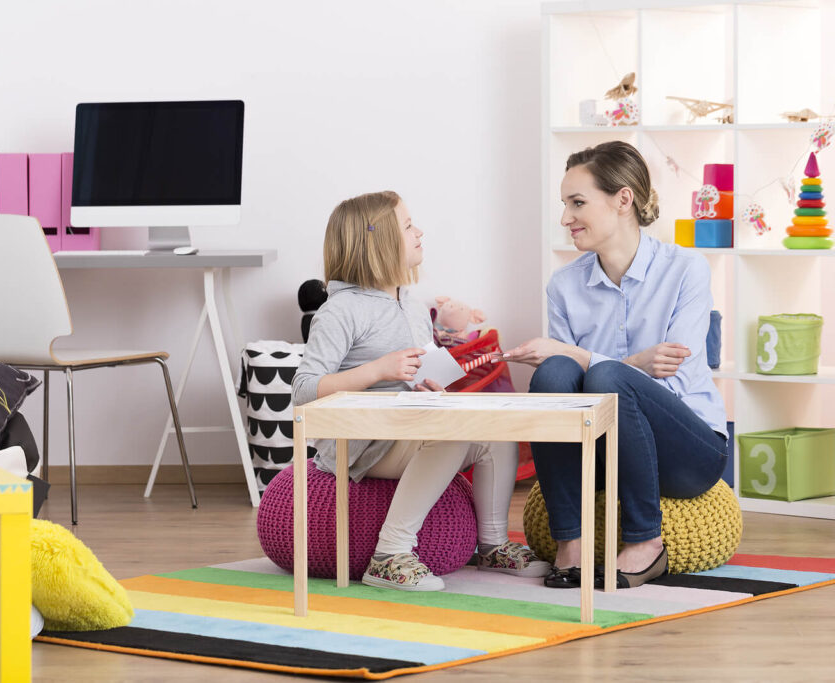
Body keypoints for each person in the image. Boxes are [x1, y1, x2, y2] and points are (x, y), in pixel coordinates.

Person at [292, 190, 549, 591]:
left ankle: (493, 545)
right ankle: (389, 555)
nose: (420, 232)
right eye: (408, 226)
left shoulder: (410, 303)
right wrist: (376, 370)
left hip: (402, 425)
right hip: (358, 442)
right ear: (376, 240)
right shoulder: (339, 311)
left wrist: (429, 383)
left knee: (494, 432)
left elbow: (413, 374)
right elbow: (304, 390)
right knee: (450, 435)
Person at [500, 141, 728, 589]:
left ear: (623, 200)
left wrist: (598, 363)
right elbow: (565, 387)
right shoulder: (564, 286)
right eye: (565, 205)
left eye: (578, 203)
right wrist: (633, 364)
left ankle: (647, 541)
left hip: (689, 451)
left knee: (602, 376)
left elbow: (675, 375)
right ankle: (572, 542)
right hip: (606, 450)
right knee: (551, 374)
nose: (566, 218)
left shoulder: (687, 269)